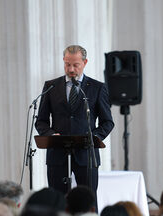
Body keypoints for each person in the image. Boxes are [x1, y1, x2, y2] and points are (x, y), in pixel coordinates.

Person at [35, 45, 114, 207]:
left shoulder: (98, 88)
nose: (71, 69)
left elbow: (107, 122)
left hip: (87, 155)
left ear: (85, 62)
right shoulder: (50, 86)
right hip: (57, 154)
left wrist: (94, 137)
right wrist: (50, 134)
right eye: (67, 64)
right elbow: (41, 121)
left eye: (75, 65)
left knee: (88, 202)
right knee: (57, 202)